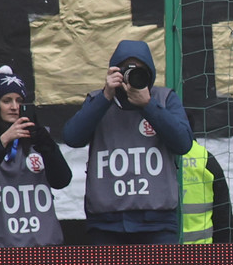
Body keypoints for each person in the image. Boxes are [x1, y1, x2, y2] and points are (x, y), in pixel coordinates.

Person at [63, 39, 193, 245]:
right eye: (127, 71)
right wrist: (106, 96)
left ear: (150, 73)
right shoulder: (100, 100)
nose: (132, 77)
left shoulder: (164, 98)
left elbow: (183, 143)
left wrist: (148, 105)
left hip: (157, 222)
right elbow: (72, 137)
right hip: (106, 222)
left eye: (140, 71)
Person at [0, 65, 72, 247]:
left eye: (19, 100)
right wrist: (4, 140)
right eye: (7, 100)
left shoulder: (39, 138)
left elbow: (62, 180)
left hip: (44, 245)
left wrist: (48, 147)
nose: (14, 107)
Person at [181, 113, 232, 244]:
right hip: (203, 254)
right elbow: (223, 215)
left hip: (161, 253)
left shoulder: (156, 158)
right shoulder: (206, 159)